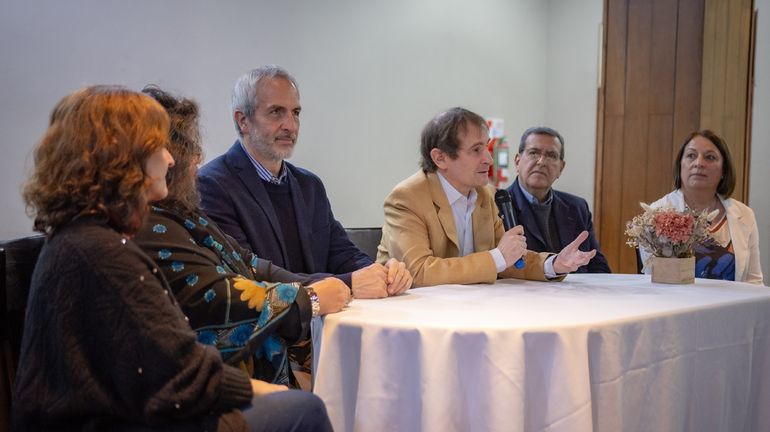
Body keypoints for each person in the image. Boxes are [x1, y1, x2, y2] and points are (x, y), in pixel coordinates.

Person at [13, 85, 341, 432]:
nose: (171, 158)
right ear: (123, 157)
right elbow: (175, 372)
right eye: (159, 145)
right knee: (305, 412)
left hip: (110, 423)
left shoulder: (85, 239)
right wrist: (254, 390)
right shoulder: (103, 252)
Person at [136, 86, 350, 388]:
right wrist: (311, 298)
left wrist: (353, 279)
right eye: (277, 112)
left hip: (228, 367)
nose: (195, 158)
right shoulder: (154, 221)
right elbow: (220, 296)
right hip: (201, 382)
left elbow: (248, 263)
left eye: (296, 113)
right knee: (317, 410)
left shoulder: (180, 212)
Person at [197, 65, 412, 299]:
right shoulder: (212, 185)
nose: (291, 125)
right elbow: (247, 275)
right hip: (269, 331)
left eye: (295, 112)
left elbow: (340, 251)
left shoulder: (309, 185)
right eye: (276, 112)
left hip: (322, 325)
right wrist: (348, 283)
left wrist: (381, 273)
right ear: (243, 121)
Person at [377, 107, 596, 287]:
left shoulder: (487, 194)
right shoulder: (406, 198)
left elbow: (510, 261)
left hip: (473, 310)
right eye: (476, 150)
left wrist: (554, 264)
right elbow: (419, 272)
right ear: (441, 158)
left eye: (487, 148)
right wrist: (497, 257)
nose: (489, 159)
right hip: (417, 318)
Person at [643, 130, 763, 284]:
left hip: (733, 307)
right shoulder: (657, 213)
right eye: (691, 156)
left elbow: (753, 281)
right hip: (678, 306)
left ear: (724, 171)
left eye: (710, 157)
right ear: (681, 165)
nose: (698, 163)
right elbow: (652, 279)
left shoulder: (745, 214)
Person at [507, 126, 610, 273]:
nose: (541, 161)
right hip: (524, 294)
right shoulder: (498, 206)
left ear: (561, 168)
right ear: (517, 161)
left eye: (551, 155)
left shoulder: (577, 207)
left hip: (576, 293)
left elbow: (598, 267)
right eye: (533, 153)